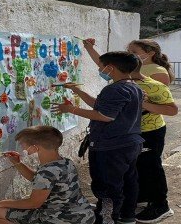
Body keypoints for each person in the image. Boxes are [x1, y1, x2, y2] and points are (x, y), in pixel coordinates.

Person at [84, 39, 178, 223]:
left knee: (150, 167)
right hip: (131, 131)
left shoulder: (157, 74)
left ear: (149, 52)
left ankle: (160, 205)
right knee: (134, 170)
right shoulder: (125, 72)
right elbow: (105, 65)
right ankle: (134, 203)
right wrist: (89, 48)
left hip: (149, 130)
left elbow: (171, 109)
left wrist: (139, 103)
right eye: (128, 51)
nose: (130, 53)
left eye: (133, 51)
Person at [52, 51, 144, 224]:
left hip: (111, 147)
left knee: (107, 187)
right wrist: (76, 90)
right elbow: (100, 106)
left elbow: (104, 116)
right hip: (128, 144)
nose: (100, 70)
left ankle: (107, 219)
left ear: (110, 68)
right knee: (128, 181)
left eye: (101, 67)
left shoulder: (114, 89)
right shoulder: (133, 87)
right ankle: (127, 216)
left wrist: (71, 109)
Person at [0, 125, 95, 224]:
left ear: (35, 148)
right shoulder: (66, 162)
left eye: (23, 144)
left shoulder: (46, 172)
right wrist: (17, 163)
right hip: (84, 215)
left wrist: (1, 203)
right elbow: (40, 181)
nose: (22, 148)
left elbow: (33, 203)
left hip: (61, 219)